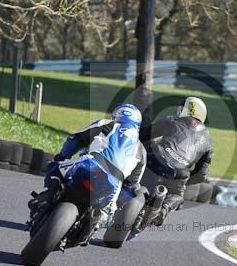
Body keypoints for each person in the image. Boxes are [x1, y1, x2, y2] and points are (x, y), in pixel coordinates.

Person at [28, 103, 147, 226]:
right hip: (115, 182)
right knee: (104, 217)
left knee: (55, 166)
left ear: (116, 115)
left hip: (91, 163)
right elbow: (132, 185)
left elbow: (75, 139)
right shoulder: (141, 150)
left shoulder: (106, 123)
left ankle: (48, 194)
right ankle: (93, 224)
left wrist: (62, 156)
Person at [138, 96, 213, 226]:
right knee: (178, 197)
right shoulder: (208, 141)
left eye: (181, 109)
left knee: (135, 179)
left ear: (187, 110)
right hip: (180, 173)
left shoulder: (171, 121)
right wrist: (184, 180)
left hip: (156, 162)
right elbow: (201, 174)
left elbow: (142, 134)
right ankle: (166, 207)